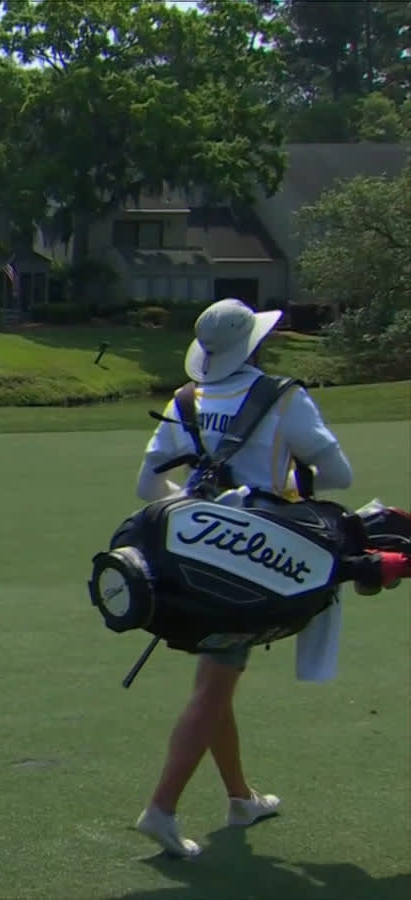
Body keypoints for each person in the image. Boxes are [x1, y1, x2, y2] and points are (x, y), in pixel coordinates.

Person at [131, 298, 355, 858]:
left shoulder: (185, 400)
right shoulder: (285, 397)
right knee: (214, 686)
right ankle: (160, 809)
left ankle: (239, 798)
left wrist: (193, 523)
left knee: (217, 677)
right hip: (258, 568)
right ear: (256, 343)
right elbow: (338, 476)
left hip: (193, 564)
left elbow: (147, 489)